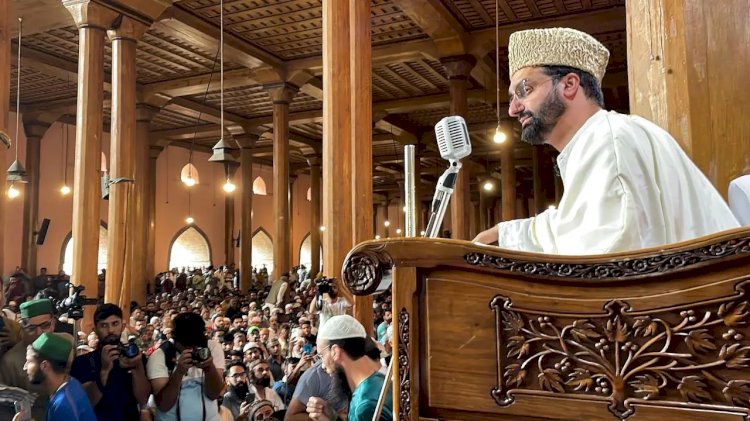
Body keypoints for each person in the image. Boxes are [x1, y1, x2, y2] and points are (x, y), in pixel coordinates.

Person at [472, 27, 739, 254]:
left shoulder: (609, 141)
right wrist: (505, 234)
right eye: (512, 97)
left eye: (525, 90)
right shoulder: (602, 136)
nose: (513, 109)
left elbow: (610, 253)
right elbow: (578, 225)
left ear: (569, 85)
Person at [70, 303, 151, 420]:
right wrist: (104, 371)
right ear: (95, 330)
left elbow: (143, 399)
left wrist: (137, 367)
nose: (110, 330)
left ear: (123, 326)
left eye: (115, 324)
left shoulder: (136, 358)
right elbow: (84, 403)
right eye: (104, 325)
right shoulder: (82, 362)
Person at [305, 315, 392, 421]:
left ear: (335, 352)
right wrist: (333, 417)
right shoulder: (377, 380)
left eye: (322, 356)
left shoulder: (366, 406)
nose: (323, 366)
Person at [0, 299, 72, 421]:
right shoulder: (10, 361)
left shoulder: (67, 343)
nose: (39, 333)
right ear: (23, 327)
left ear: (53, 323)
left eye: (45, 326)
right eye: (32, 328)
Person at [146, 312, 225, 421]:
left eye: (195, 343)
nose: (191, 349)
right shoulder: (160, 356)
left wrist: (209, 368)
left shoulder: (212, 347)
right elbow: (164, 405)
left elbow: (214, 394)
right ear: (174, 337)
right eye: (186, 344)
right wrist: (178, 372)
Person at [15, 332, 96, 421]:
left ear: (44, 366)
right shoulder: (71, 383)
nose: (25, 367)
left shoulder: (62, 406)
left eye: (29, 361)